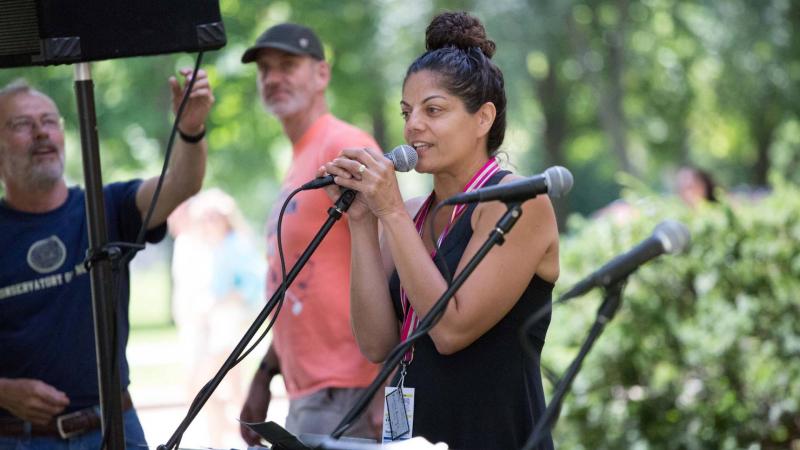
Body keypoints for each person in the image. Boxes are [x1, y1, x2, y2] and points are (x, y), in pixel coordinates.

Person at [320, 12, 558, 449]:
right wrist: (362, 223)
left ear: (483, 118)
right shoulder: (410, 214)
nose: (412, 126)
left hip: (496, 436)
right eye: (407, 112)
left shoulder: (518, 202)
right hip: (416, 434)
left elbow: (450, 331)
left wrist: (389, 213)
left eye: (433, 110)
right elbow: (376, 345)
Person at [0, 69, 213, 449]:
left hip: (113, 429)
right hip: (19, 439)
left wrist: (191, 129)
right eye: (21, 124)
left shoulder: (106, 208)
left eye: (49, 121)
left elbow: (181, 182)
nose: (41, 132)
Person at [238, 23, 382, 444]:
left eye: (288, 65)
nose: (273, 77)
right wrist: (266, 372)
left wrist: (383, 383)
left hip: (352, 388)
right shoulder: (299, 158)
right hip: (310, 390)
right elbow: (297, 284)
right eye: (265, 69)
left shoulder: (344, 144)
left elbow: (393, 256)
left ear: (322, 74)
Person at [168, 189, 264, 447]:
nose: (210, 221)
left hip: (226, 324)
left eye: (215, 216)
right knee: (204, 386)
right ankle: (218, 436)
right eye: (206, 216)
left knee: (225, 381)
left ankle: (243, 434)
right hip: (203, 325)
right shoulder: (196, 245)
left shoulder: (237, 245)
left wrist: (221, 301)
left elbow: (251, 286)